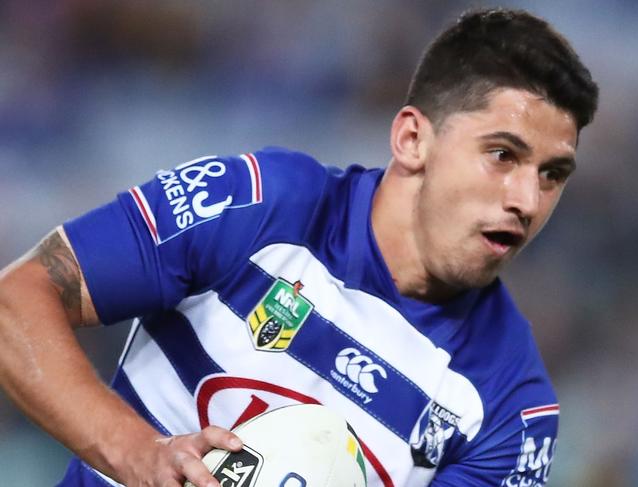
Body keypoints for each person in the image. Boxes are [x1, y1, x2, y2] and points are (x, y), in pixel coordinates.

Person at [0, 7, 598, 487]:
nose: (527, 198)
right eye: (503, 155)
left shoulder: (510, 409)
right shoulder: (260, 205)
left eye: (553, 174)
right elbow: (17, 298)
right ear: (413, 138)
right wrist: (140, 455)